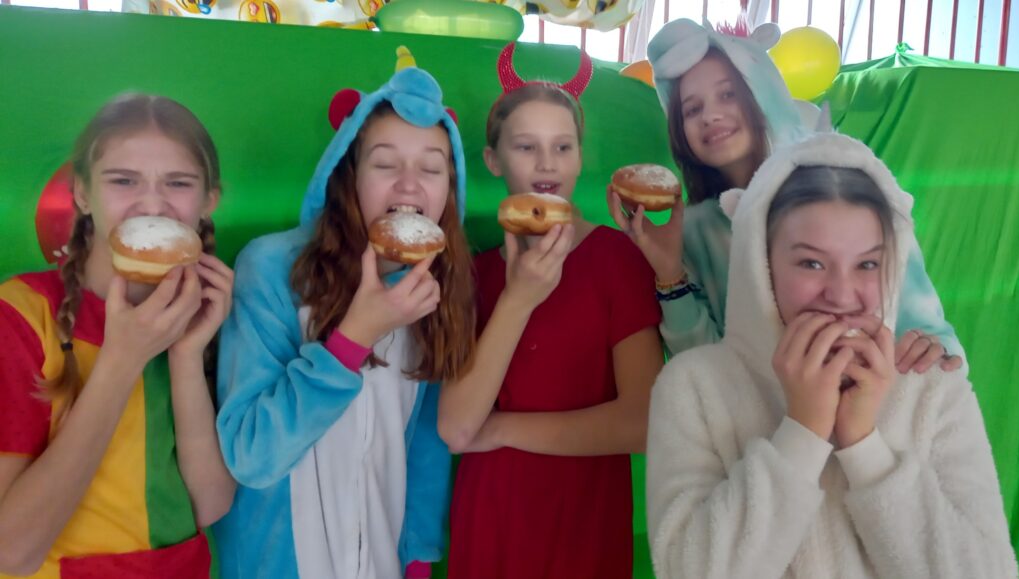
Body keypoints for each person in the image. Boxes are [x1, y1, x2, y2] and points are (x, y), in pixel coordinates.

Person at [645, 132, 1016, 578]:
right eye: (812, 263)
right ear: (760, 264)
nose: (842, 295)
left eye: (867, 264)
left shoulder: (930, 384)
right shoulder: (693, 387)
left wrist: (865, 445)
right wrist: (802, 432)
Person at [213, 53, 473, 579]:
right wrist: (354, 338)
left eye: (430, 168)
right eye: (385, 164)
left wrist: (417, 559)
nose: (409, 184)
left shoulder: (435, 290)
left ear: (449, 190)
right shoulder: (273, 269)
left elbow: (424, 447)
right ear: (348, 175)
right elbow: (251, 454)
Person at [609, 18, 965, 375]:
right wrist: (669, 274)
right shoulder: (695, 230)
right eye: (692, 109)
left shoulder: (849, 191)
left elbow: (929, 331)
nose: (711, 115)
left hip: (871, 396)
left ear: (763, 91)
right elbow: (704, 371)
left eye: (728, 94)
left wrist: (934, 351)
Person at [441, 43, 664, 579]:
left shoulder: (616, 258)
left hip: (583, 519)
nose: (547, 163)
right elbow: (455, 427)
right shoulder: (472, 271)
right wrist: (518, 299)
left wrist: (501, 430)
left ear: (580, 158)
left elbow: (643, 423)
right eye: (526, 147)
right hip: (491, 518)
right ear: (493, 160)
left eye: (563, 147)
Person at [0, 93, 235, 578]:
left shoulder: (212, 314)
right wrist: (122, 360)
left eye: (178, 182)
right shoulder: (21, 316)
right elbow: (11, 551)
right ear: (82, 194)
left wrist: (186, 354)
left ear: (208, 201)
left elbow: (210, 504)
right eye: (123, 181)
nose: (152, 203)